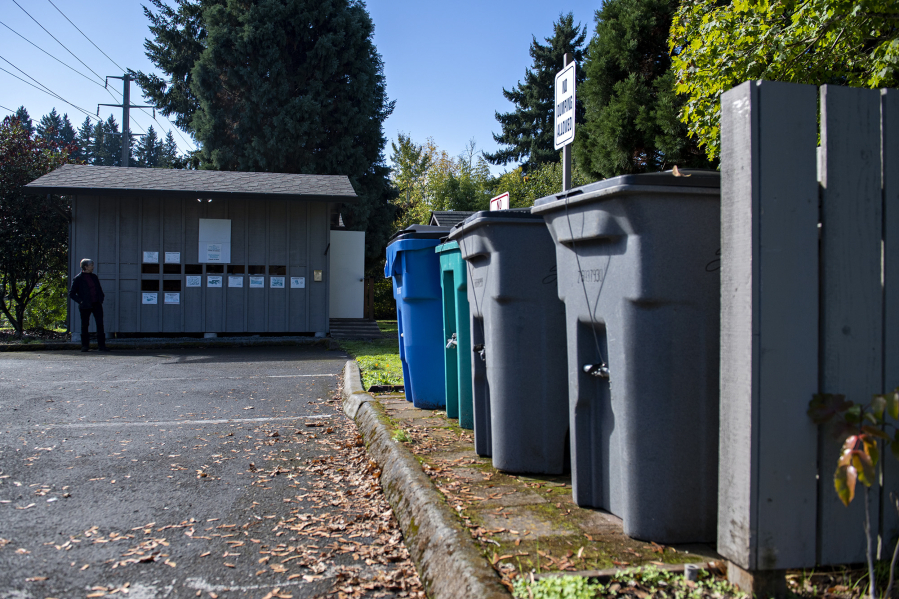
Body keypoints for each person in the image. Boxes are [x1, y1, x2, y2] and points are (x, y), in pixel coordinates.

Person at [69, 259, 109, 352]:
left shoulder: (94, 277)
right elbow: (72, 293)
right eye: (91, 265)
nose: (93, 267)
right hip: (85, 305)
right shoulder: (78, 279)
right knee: (85, 325)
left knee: (100, 324)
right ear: (85, 267)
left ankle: (102, 346)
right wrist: (81, 301)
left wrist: (101, 298)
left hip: (96, 303)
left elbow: (98, 289)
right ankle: (85, 346)